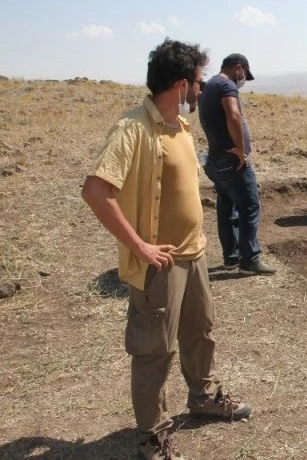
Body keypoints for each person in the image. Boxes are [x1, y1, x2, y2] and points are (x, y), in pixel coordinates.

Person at [81, 39, 251, 460]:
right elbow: (96, 190)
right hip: (160, 263)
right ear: (180, 85)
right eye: (197, 82)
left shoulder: (181, 127)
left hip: (194, 255)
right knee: (154, 351)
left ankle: (202, 398)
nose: (201, 89)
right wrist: (139, 245)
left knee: (201, 331)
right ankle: (152, 435)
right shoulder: (134, 128)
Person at [198, 53, 275, 274]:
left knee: (227, 208)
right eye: (244, 75)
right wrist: (240, 149)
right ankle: (249, 260)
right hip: (232, 161)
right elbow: (233, 115)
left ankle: (231, 257)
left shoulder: (210, 86)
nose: (243, 81)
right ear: (238, 68)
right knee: (249, 206)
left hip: (216, 159)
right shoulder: (225, 85)